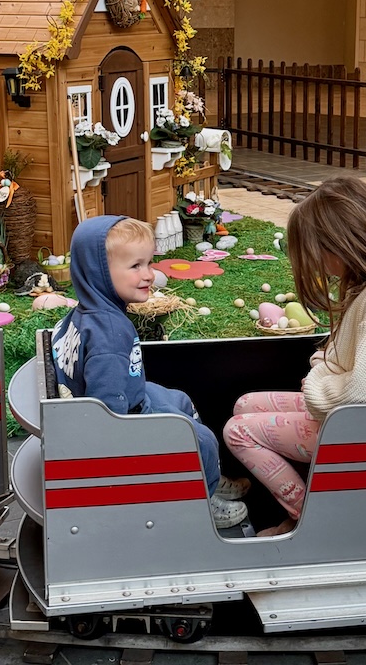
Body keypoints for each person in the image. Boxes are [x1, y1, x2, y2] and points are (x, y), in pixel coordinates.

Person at [223, 176, 366, 535]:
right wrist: (323, 371)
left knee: (238, 432)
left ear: (340, 246)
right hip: (351, 416)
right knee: (244, 405)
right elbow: (338, 356)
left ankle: (309, 519)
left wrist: (317, 382)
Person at [51, 215, 250, 528]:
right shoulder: (111, 334)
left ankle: (202, 471)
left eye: (149, 263)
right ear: (99, 272)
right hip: (123, 421)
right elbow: (108, 417)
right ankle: (202, 497)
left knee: (180, 399)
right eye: (135, 267)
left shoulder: (84, 313)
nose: (149, 275)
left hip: (130, 396)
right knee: (201, 438)